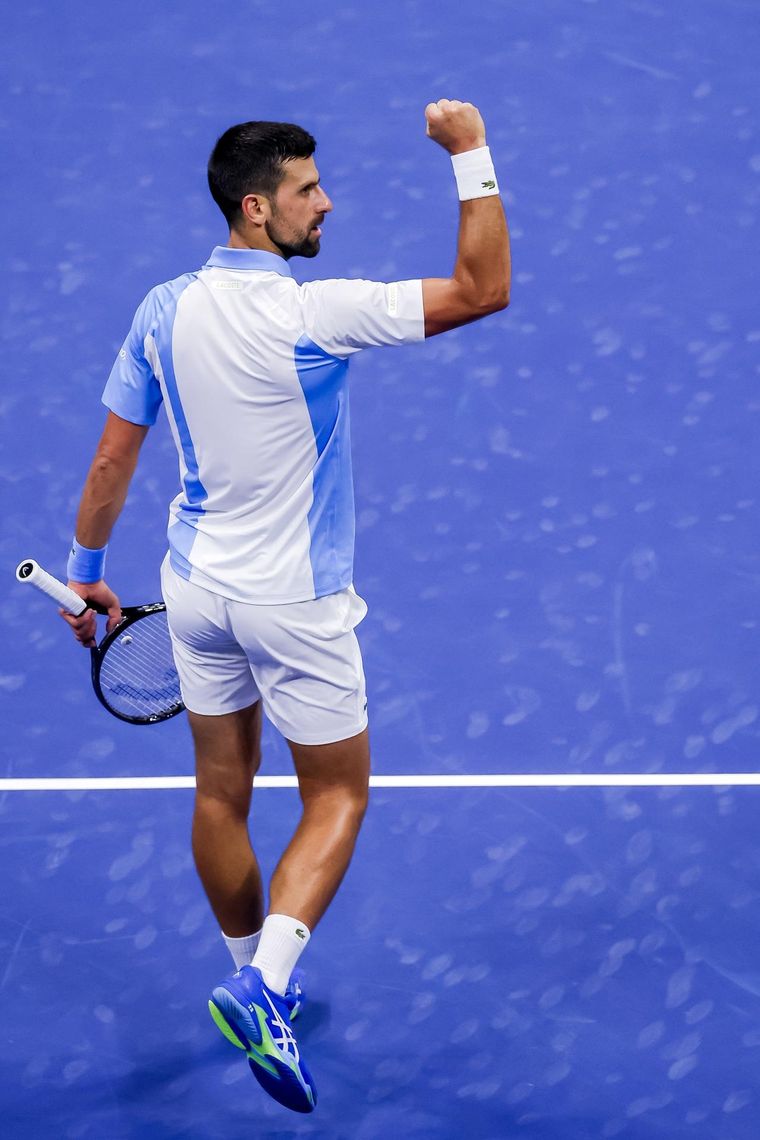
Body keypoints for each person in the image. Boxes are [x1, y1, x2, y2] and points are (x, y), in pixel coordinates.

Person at [60, 99, 510, 1113]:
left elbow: (110, 456)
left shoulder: (160, 308)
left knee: (221, 790)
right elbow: (484, 289)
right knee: (336, 797)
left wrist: (88, 565)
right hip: (295, 605)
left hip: (195, 592)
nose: (328, 203)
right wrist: (471, 154)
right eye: (309, 190)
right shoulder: (314, 314)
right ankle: (263, 985)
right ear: (258, 209)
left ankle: (245, 970)